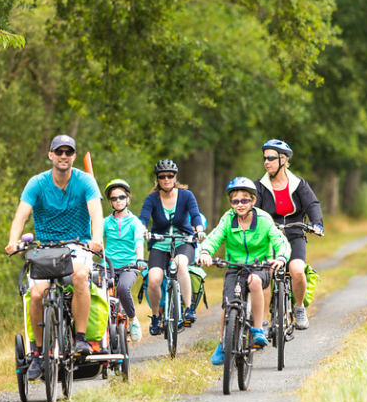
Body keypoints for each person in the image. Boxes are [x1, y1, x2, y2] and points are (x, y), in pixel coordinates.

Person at [5, 134, 104, 380]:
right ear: (50, 155)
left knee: (80, 276)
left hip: (78, 246)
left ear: (73, 156)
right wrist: (12, 241)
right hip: (45, 249)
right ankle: (39, 353)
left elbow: (96, 213)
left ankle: (81, 339)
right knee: (37, 293)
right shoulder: (37, 183)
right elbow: (21, 215)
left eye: (68, 152)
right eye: (58, 152)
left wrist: (97, 238)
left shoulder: (85, 181)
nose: (63, 156)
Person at [198, 177, 290, 365]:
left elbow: (280, 241)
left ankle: (257, 330)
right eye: (235, 201)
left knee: (255, 282)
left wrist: (280, 258)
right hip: (235, 268)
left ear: (253, 201)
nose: (240, 205)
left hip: (260, 267)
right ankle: (224, 343)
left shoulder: (263, 219)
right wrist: (205, 252)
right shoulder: (228, 219)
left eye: (244, 200)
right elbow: (214, 237)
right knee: (228, 303)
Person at [254, 139, 324, 330]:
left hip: (295, 234)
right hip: (269, 237)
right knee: (266, 274)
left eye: (271, 158)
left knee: (297, 271)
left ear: (283, 160)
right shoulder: (259, 186)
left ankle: (299, 308)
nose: (266, 162)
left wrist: (317, 224)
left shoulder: (298, 184)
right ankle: (263, 321)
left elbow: (312, 205)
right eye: (264, 159)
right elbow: (253, 211)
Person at [138, 159, 206, 336]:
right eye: (162, 176)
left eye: (170, 176)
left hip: (183, 241)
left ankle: (188, 309)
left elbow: (195, 215)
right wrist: (142, 230)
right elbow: (143, 218)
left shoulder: (186, 195)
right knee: (154, 279)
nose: (166, 179)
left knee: (182, 264)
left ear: (175, 177)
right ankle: (155, 316)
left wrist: (199, 230)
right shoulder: (152, 199)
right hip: (160, 243)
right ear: (158, 179)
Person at [102, 178, 146, 342]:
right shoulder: (106, 222)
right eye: (114, 198)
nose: (118, 201)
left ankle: (133, 320)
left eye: (121, 197)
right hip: (108, 266)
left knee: (122, 288)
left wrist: (140, 258)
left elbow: (138, 241)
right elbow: (97, 240)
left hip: (129, 266)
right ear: (110, 202)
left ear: (128, 198)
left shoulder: (135, 222)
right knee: (98, 291)